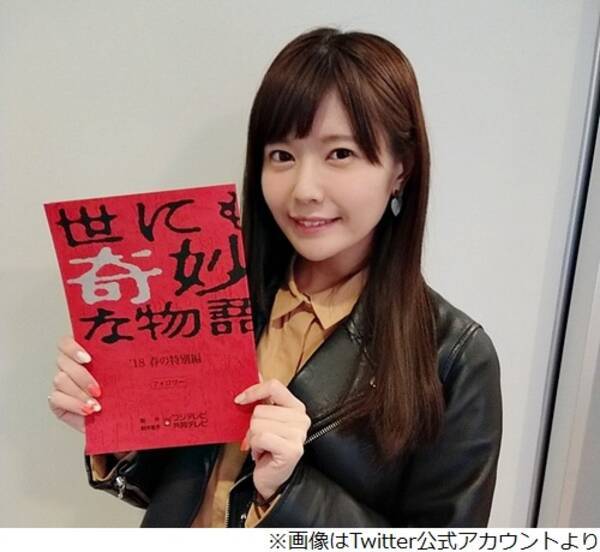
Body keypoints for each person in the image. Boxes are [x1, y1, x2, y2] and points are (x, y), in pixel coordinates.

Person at [48, 26, 502, 527]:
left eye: (340, 154)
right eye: (282, 155)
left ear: (401, 169)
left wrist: (291, 490)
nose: (304, 190)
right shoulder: (212, 294)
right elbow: (184, 489)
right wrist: (117, 422)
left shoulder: (453, 358)